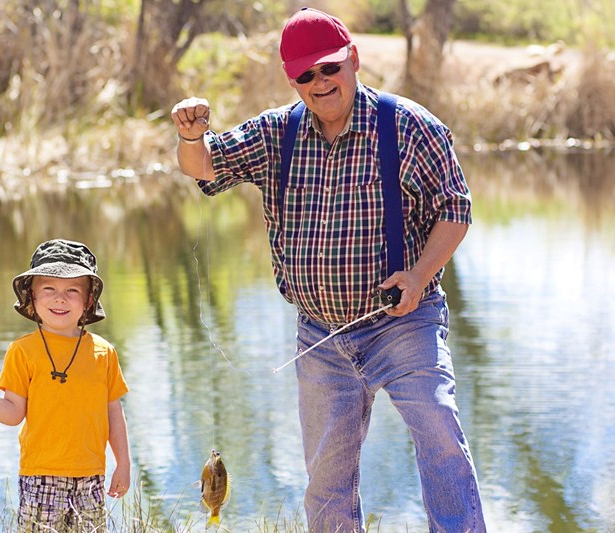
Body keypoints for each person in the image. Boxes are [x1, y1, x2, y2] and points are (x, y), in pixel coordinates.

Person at [171, 7, 485, 533]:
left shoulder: (409, 126)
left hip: (404, 323)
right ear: (292, 80)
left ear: (354, 59)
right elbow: (203, 166)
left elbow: (455, 208)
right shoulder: (277, 134)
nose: (320, 82)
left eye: (330, 68)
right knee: (326, 480)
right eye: (305, 75)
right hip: (319, 337)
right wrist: (189, 135)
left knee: (440, 434)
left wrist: (419, 274)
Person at [0, 239, 130, 531]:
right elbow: (13, 413)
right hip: (40, 475)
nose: (60, 299)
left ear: (88, 300)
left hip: (91, 475)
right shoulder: (22, 351)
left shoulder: (104, 352)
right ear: (32, 297)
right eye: (49, 289)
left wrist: (122, 463)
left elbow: (114, 412)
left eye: (72, 290)